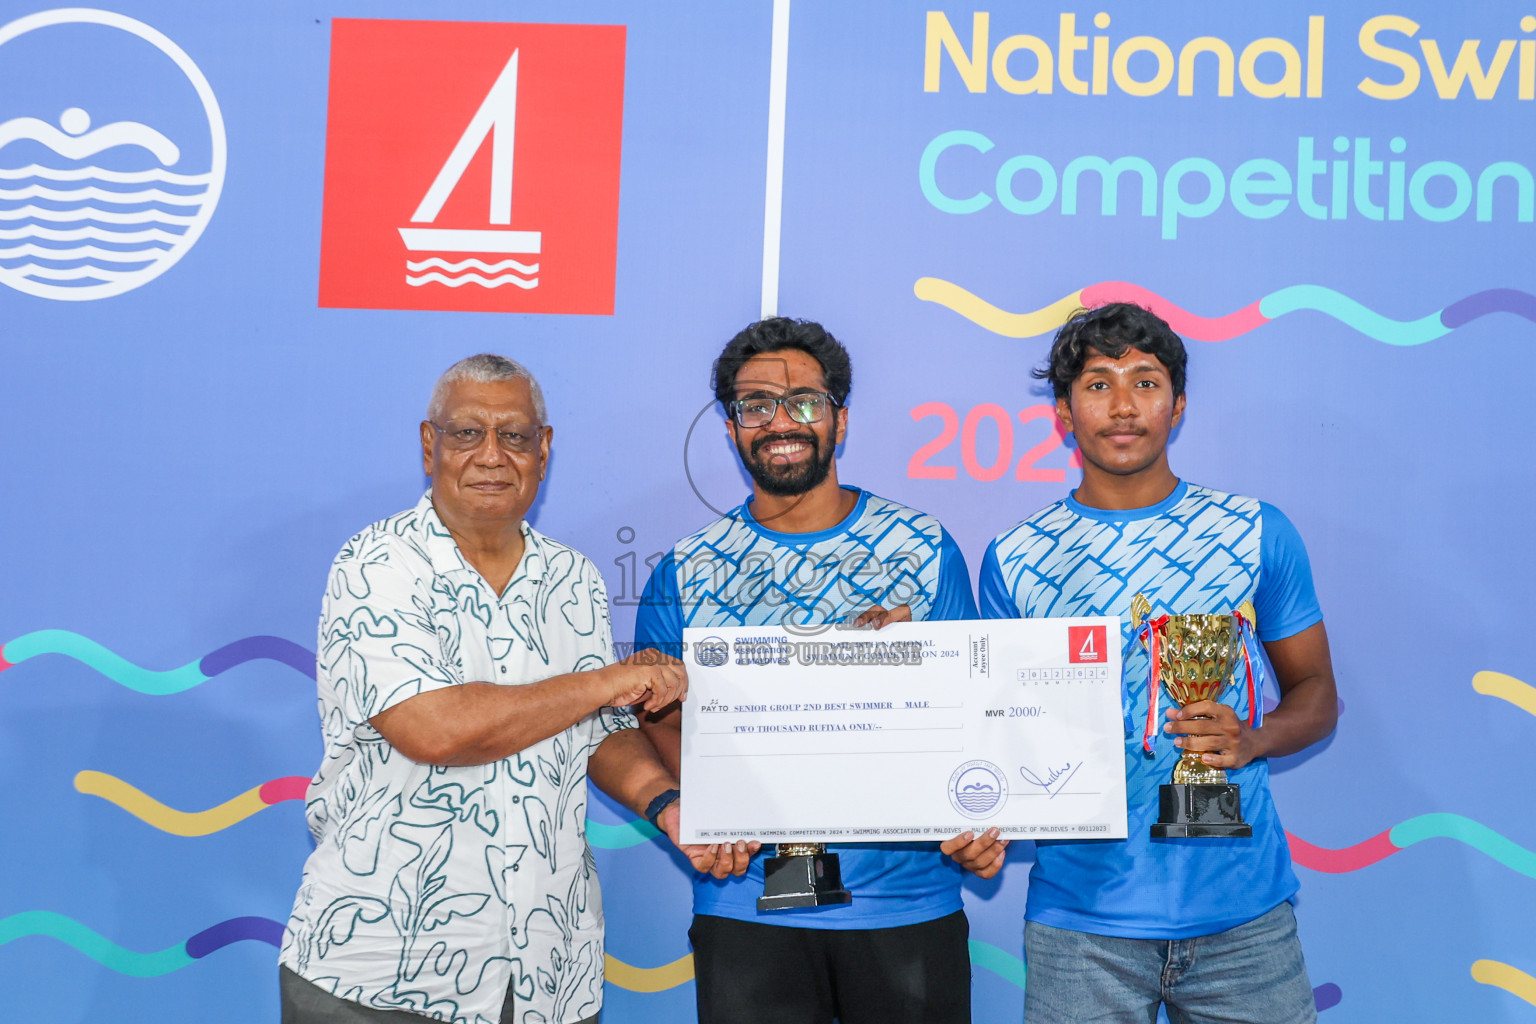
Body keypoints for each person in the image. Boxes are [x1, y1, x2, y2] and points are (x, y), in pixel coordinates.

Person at [278, 354, 742, 1024]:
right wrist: (607, 681)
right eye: (467, 433)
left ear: (544, 450)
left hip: (544, 980)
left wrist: (667, 803)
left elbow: (598, 732)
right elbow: (435, 730)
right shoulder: (376, 565)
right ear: (429, 443)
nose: (492, 455)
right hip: (378, 975)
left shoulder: (573, 579)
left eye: (515, 435)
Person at [968, 304, 1339, 1023]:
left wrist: (1253, 739)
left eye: (1145, 381)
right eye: (1098, 384)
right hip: (1080, 924)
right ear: (1064, 412)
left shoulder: (1257, 531)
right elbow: (1004, 731)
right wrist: (989, 817)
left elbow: (1318, 694)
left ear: (1179, 405)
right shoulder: (1016, 557)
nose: (1124, 404)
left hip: (1244, 917)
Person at [634, 317, 993, 1024]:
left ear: (841, 418)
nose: (780, 421)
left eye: (804, 401)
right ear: (732, 427)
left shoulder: (922, 547)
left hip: (905, 905)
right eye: (756, 405)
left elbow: (976, 709)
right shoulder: (684, 567)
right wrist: (711, 807)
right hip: (746, 910)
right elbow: (661, 721)